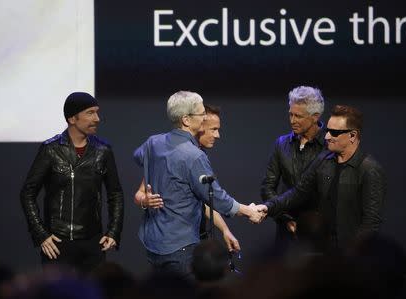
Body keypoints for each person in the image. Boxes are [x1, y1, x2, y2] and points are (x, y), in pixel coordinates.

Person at [133, 91, 264, 278]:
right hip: (180, 248)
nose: (204, 118)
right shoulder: (194, 156)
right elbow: (218, 198)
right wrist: (249, 211)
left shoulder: (153, 143)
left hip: (153, 244)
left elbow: (139, 157)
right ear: (186, 120)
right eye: (202, 114)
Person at [20, 92, 124, 274]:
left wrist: (113, 231)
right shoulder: (50, 150)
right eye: (90, 113)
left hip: (92, 243)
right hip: (58, 244)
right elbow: (27, 193)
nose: (97, 118)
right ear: (72, 118)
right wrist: (41, 234)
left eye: (97, 112)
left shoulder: (103, 151)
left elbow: (115, 193)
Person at [258, 105, 386, 249]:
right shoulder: (323, 160)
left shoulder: (369, 170)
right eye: (327, 131)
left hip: (350, 258)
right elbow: (298, 192)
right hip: (323, 253)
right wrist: (267, 207)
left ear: (352, 136)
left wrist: (353, 257)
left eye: (334, 133)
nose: (327, 137)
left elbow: (370, 222)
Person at [134, 104, 240, 253]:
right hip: (173, 245)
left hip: (192, 238)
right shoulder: (171, 155)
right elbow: (139, 193)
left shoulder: (197, 156)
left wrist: (225, 230)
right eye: (213, 129)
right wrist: (145, 200)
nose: (217, 135)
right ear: (199, 126)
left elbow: (206, 200)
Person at [260, 86, 326, 242]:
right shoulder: (282, 144)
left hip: (320, 230)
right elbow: (267, 187)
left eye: (298, 116)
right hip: (287, 229)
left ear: (315, 117)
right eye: (291, 114)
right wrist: (285, 218)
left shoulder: (329, 145)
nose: (292, 120)